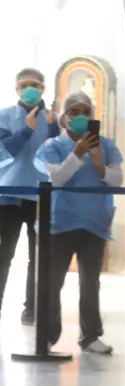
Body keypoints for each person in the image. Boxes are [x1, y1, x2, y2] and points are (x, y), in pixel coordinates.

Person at [33, 92, 123, 354]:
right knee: (51, 282)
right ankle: (46, 336)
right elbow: (57, 178)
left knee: (91, 282)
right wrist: (77, 153)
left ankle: (91, 335)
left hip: (95, 223)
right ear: (63, 118)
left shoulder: (106, 146)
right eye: (74, 111)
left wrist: (97, 165)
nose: (81, 116)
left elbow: (116, 180)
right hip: (59, 223)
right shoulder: (51, 147)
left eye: (86, 111)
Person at [0, 68, 60, 325]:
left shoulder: (53, 118)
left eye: (35, 85)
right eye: (24, 85)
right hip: (9, 194)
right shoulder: (4, 116)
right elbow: (4, 152)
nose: (30, 89)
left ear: (43, 88)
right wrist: (26, 130)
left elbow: (58, 154)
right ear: (16, 89)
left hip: (42, 195)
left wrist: (54, 128)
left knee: (39, 256)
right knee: (4, 254)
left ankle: (33, 308)